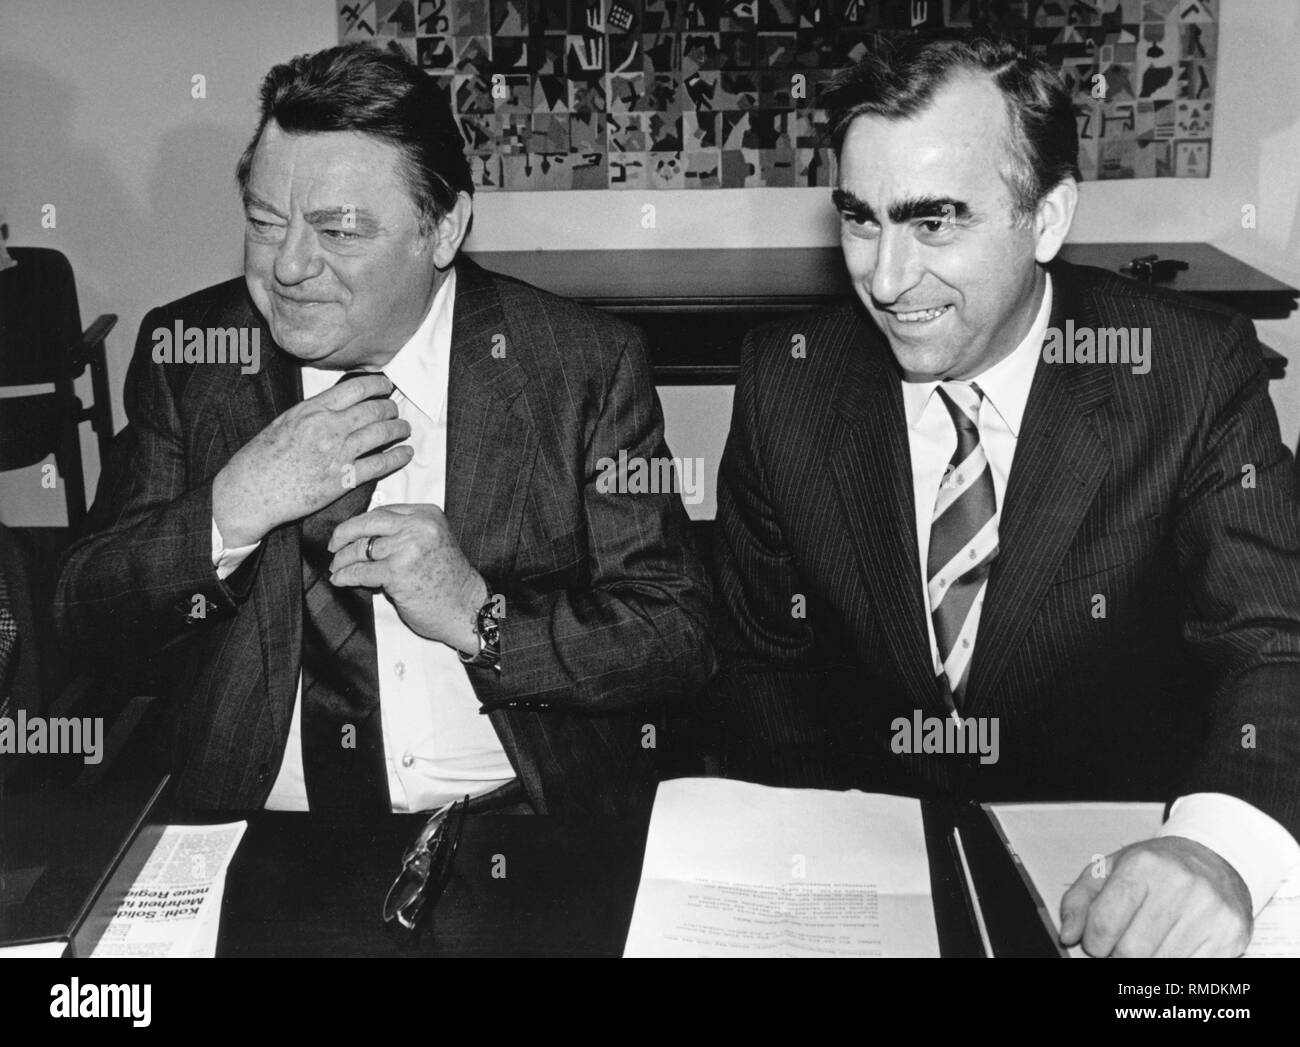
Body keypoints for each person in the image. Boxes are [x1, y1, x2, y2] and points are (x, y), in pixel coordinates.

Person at [713, 33, 1300, 957]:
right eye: (861, 219)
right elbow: (761, 667)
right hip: (871, 882)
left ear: (1050, 218)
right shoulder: (787, 382)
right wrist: (823, 864)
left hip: (1122, 879)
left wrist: (1216, 852)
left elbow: (1273, 643)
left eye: (935, 222)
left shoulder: (1189, 372)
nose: (886, 278)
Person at [56, 43, 713, 818]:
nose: (288, 266)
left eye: (337, 232)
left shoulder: (579, 365)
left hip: (512, 819)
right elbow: (83, 617)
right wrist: (227, 509)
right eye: (266, 222)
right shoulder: (192, 354)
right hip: (256, 824)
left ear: (442, 231)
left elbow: (677, 634)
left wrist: (480, 616)